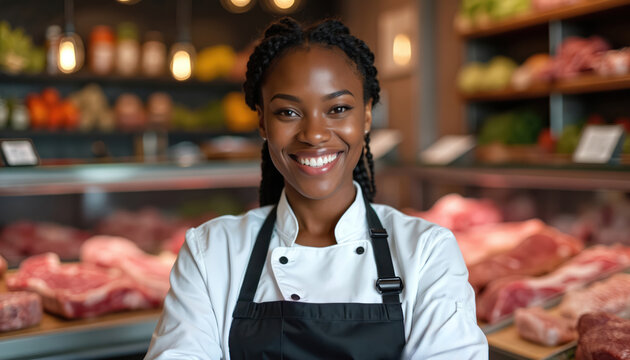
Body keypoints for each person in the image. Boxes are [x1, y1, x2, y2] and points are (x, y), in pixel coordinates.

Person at [145, 17, 488, 360]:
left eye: (338, 109)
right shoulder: (211, 253)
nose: (314, 134)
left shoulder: (426, 252)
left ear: (366, 116)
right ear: (262, 120)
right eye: (288, 112)